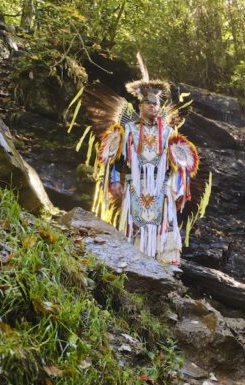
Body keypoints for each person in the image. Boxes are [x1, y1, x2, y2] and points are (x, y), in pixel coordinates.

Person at [85, 53, 200, 268]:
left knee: (165, 225)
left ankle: (165, 268)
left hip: (161, 188)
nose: (153, 107)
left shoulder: (169, 134)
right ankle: (135, 267)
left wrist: (178, 189)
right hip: (135, 187)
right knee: (134, 225)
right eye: (149, 103)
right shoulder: (127, 130)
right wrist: (114, 181)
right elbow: (114, 158)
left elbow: (179, 166)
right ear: (140, 105)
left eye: (156, 104)